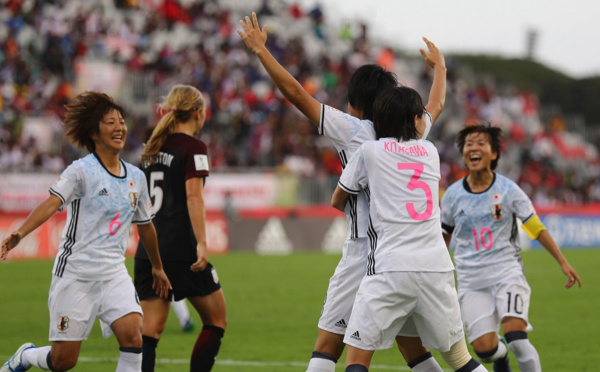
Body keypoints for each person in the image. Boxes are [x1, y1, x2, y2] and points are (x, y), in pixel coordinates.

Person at [239, 12, 444, 372]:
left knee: (327, 347)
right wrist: (439, 67)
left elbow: (296, 94)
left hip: (363, 253)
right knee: (415, 350)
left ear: (355, 102)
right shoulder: (412, 132)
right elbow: (436, 105)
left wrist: (260, 51)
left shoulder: (352, 129)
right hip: (403, 254)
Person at [0, 91, 171, 372]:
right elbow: (51, 203)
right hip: (76, 274)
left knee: (133, 335)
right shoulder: (81, 171)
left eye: (121, 121)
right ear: (94, 132)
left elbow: (146, 226)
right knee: (64, 361)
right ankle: (26, 357)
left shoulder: (136, 178)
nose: (119, 128)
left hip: (113, 272)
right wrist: (20, 234)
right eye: (110, 122)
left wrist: (157, 267)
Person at [331, 86, 488, 372]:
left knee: (356, 361)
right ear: (416, 120)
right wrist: (439, 67)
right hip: (436, 268)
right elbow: (434, 107)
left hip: (389, 268)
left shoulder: (369, 151)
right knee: (461, 361)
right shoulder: (430, 150)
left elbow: (337, 199)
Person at [440, 123, 582, 372]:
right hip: (471, 280)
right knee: (485, 350)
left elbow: (535, 228)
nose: (474, 148)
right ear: (463, 153)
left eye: (480, 143)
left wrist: (562, 261)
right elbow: (444, 238)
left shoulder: (508, 190)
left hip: (507, 272)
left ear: (494, 153)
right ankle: (500, 355)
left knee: (518, 338)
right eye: (468, 144)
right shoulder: (452, 195)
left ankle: (511, 348)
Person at [135, 84, 227, 372]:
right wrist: (202, 242)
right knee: (216, 320)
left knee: (150, 331)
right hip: (181, 249)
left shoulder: (152, 146)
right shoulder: (194, 147)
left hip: (149, 249)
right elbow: (193, 196)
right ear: (199, 113)